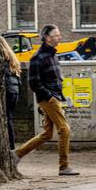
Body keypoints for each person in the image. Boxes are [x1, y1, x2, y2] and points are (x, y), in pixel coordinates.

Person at [14, 24, 78, 175]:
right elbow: (33, 83)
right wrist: (49, 96)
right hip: (49, 99)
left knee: (47, 134)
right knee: (64, 129)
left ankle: (17, 154)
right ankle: (64, 166)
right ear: (48, 38)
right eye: (56, 35)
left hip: (54, 97)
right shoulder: (37, 57)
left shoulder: (53, 55)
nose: (59, 38)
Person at [0, 36, 22, 151]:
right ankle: (11, 146)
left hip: (8, 91)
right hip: (15, 91)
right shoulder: (11, 57)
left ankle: (11, 147)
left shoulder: (1, 56)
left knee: (6, 119)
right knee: (9, 118)